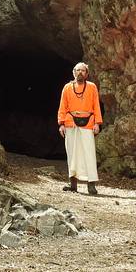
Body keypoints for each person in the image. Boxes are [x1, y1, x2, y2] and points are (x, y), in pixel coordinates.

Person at [57, 62, 103, 195]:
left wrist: (97, 123)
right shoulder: (67, 88)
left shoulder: (92, 87)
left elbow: (96, 105)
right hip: (70, 122)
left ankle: (91, 184)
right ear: (73, 72)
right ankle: (73, 184)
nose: (80, 73)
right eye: (77, 70)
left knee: (89, 153)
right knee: (72, 153)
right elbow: (62, 106)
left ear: (87, 74)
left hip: (88, 123)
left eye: (83, 71)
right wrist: (61, 124)